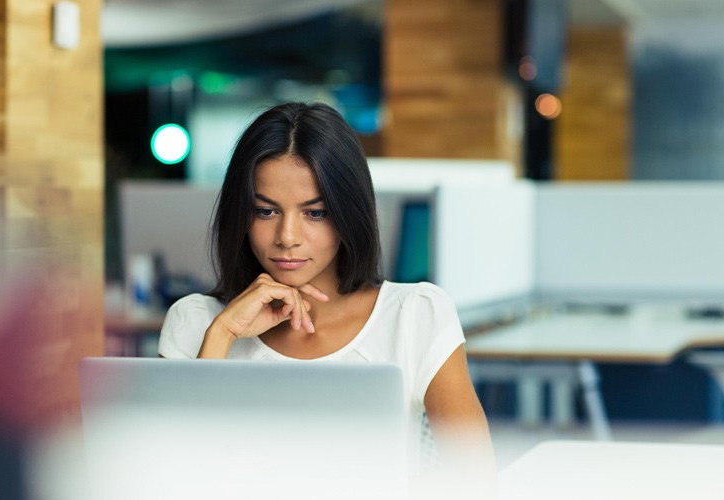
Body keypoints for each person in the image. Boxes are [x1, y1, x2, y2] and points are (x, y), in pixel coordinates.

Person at [158, 102, 496, 494]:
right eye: (266, 212)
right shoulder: (195, 323)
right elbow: (171, 481)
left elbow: (477, 483)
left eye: (314, 213)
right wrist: (223, 334)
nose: (287, 236)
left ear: (347, 213)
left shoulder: (415, 315)